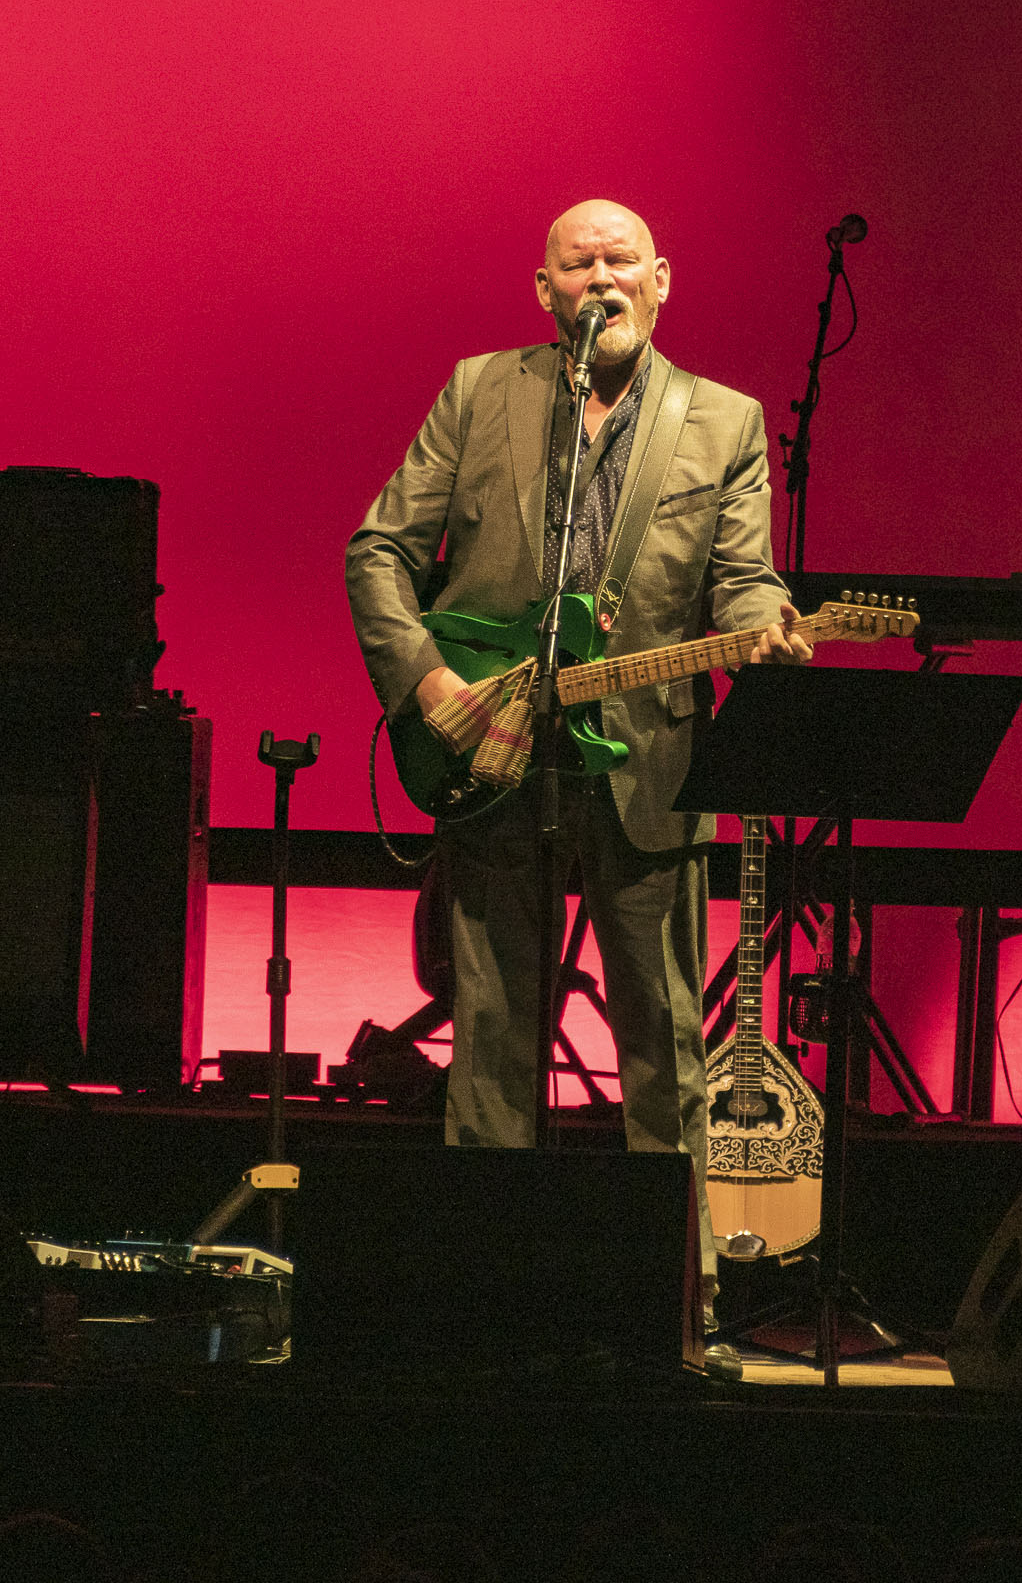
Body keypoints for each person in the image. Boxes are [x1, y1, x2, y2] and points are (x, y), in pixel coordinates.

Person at [345, 198, 810, 1332]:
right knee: (493, 1032)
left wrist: (771, 624)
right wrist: (430, 687)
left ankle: (672, 1306)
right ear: (543, 290)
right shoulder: (479, 392)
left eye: (619, 262)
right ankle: (484, 1299)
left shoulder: (726, 420)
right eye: (577, 264)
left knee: (665, 1043)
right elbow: (379, 550)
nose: (599, 280)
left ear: (661, 281)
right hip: (492, 747)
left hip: (648, 755)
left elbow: (742, 582)